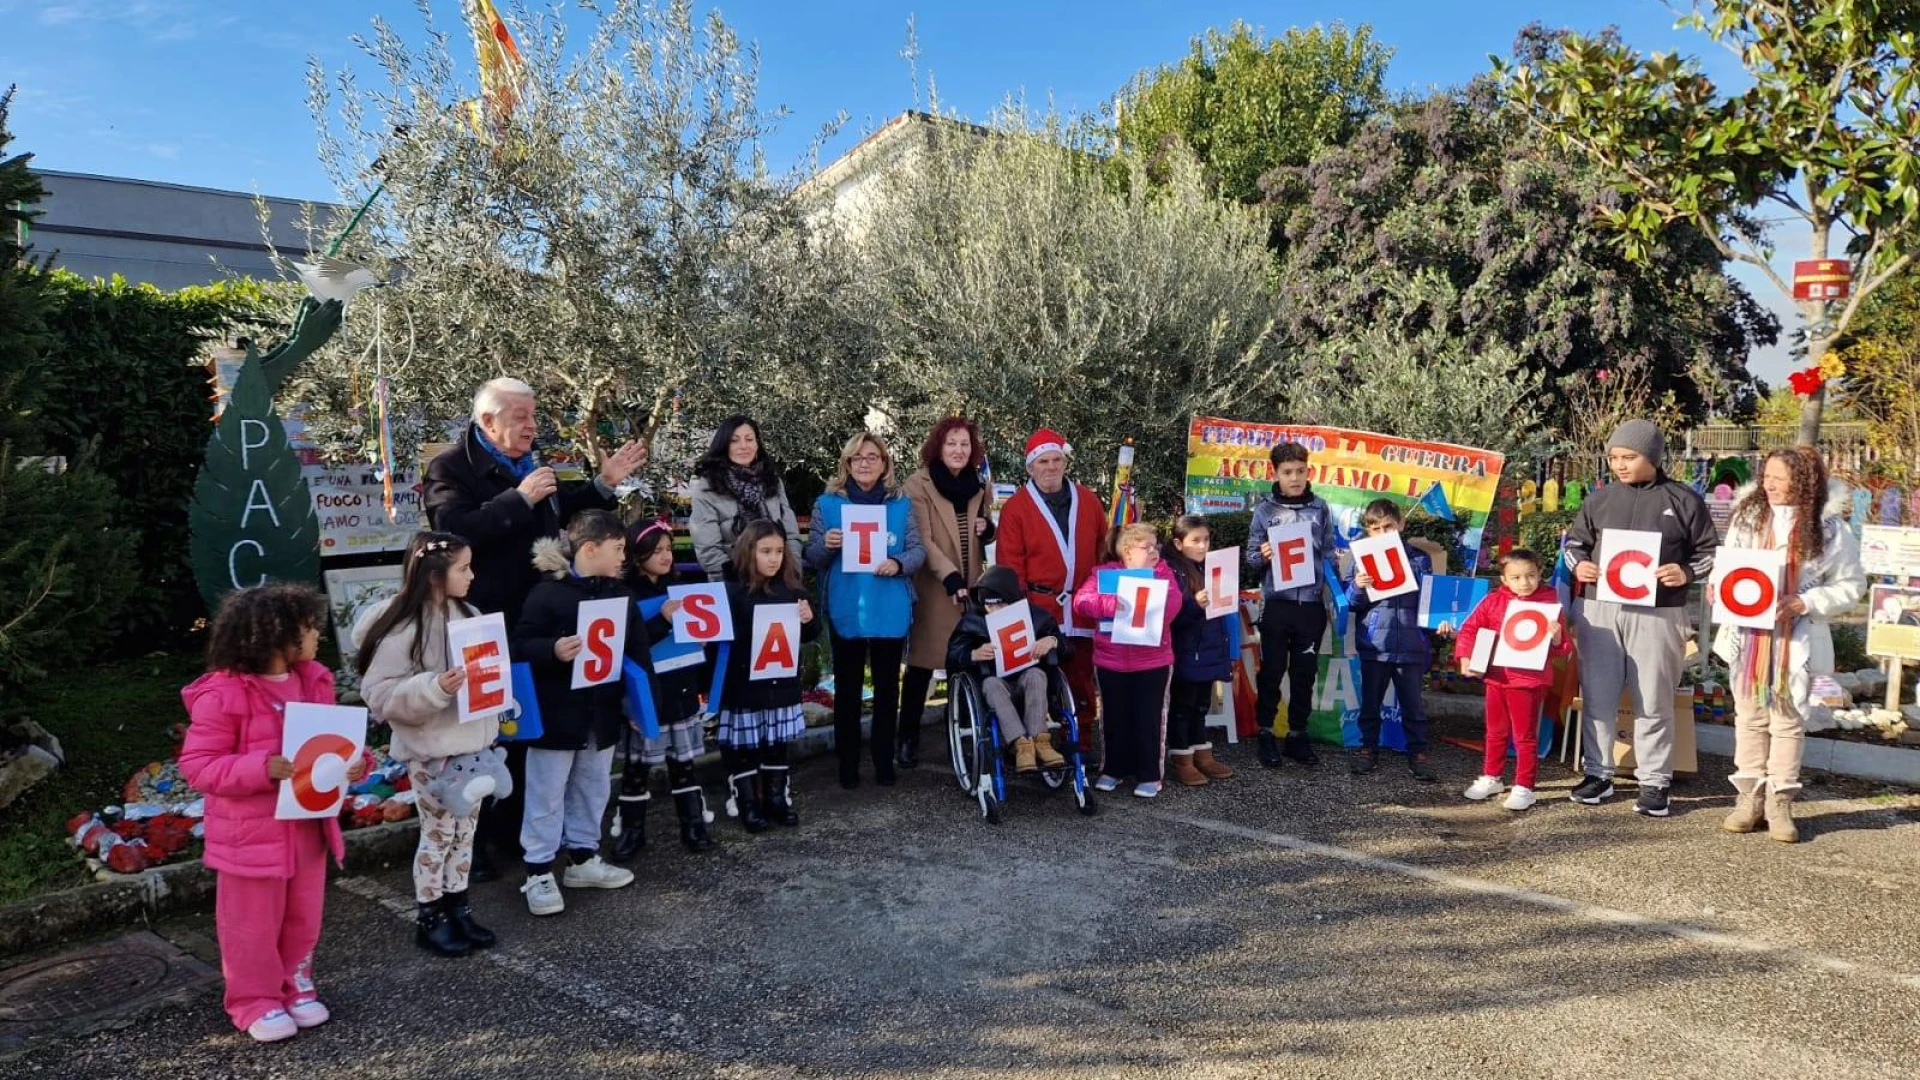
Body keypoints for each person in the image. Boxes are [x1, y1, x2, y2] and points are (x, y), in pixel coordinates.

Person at [424, 377, 647, 881]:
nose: (532, 426)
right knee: (479, 732)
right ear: (487, 421)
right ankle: (473, 848)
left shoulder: (531, 464)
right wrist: (518, 500)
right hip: (483, 624)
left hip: (542, 619)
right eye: (521, 416)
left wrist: (603, 485)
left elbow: (560, 512)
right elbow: (451, 531)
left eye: (533, 415)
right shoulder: (450, 467)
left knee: (530, 732)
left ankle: (517, 836)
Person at [179, 583, 368, 1043]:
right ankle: (253, 1001)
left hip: (307, 824)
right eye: (308, 628)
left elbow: (331, 743)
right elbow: (198, 765)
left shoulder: (314, 679)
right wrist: (261, 768)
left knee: (304, 914)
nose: (316, 636)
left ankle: (296, 985)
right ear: (276, 635)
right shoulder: (223, 694)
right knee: (250, 925)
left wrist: (358, 763)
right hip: (250, 837)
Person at [354, 532, 500, 956]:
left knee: (465, 833)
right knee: (437, 834)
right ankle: (430, 914)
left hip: (471, 747)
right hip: (431, 752)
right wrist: (434, 688)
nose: (472, 576)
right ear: (435, 575)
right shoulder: (402, 627)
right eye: (463, 568)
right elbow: (379, 694)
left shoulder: (468, 613)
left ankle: (460, 907)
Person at [1564, 419, 1718, 817]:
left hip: (1659, 612)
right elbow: (1574, 545)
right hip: (1600, 610)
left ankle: (1654, 782)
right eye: (1614, 457)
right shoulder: (1598, 499)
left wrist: (1685, 573)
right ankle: (1598, 774)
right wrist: (1580, 566)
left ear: (1652, 456)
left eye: (1628, 457)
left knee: (1653, 697)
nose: (1619, 464)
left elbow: (1709, 554)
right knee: (1598, 696)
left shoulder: (1684, 500)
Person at [1712, 448, 1865, 843]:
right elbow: (1728, 567)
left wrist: (1805, 601)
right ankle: (1749, 800)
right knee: (1749, 716)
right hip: (1748, 637)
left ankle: (1780, 804)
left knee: (1787, 720)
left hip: (1794, 641)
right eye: (1767, 476)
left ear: (1805, 482)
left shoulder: (1829, 528)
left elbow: (1851, 586)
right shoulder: (1749, 516)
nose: (1770, 484)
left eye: (1780, 478)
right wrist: (1719, 588)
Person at [510, 510, 648, 916]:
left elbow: (637, 653)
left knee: (593, 787)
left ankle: (583, 858)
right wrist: (551, 650)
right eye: (618, 548)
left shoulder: (621, 596)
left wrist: (641, 705)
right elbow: (519, 645)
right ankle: (538, 870)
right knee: (546, 792)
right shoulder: (546, 594)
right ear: (590, 548)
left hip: (602, 712)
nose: (624, 556)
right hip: (556, 715)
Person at [805, 432, 927, 789]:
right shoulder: (827, 505)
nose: (864, 463)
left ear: (885, 463)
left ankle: (883, 761)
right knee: (848, 690)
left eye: (872, 457)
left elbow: (918, 551)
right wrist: (826, 545)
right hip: (847, 606)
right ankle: (848, 763)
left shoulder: (901, 505)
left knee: (889, 690)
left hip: (889, 605)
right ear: (846, 464)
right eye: (857, 458)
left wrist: (897, 562)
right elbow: (811, 557)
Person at [996, 428, 1109, 764]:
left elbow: (1102, 550)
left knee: (1082, 677)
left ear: (1064, 461)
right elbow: (1010, 564)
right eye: (1043, 461)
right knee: (1039, 678)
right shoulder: (1016, 508)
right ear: (1030, 467)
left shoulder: (1088, 500)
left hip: (1082, 604)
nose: (1050, 466)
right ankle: (1038, 739)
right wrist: (1019, 612)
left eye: (1056, 459)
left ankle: (1083, 740)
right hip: (1039, 607)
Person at [616, 518, 717, 858]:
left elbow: (700, 636)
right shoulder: (625, 594)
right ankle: (631, 831)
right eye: (656, 550)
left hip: (681, 687)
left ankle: (693, 826)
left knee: (683, 764)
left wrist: (702, 641)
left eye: (669, 549)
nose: (666, 556)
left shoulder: (683, 587)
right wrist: (662, 620)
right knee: (636, 769)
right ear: (636, 553)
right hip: (646, 692)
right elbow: (627, 644)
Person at [900, 417, 995, 770]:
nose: (959, 450)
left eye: (965, 444)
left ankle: (963, 731)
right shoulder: (918, 483)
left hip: (970, 585)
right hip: (936, 585)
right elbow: (922, 539)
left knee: (966, 662)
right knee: (923, 665)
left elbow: (984, 531)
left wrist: (988, 530)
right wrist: (951, 578)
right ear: (938, 446)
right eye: (952, 443)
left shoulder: (979, 484)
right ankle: (907, 738)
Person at [715, 520, 820, 832]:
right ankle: (748, 803)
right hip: (744, 686)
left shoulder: (793, 590)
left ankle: (777, 799)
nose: (773, 558)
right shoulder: (731, 593)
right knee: (744, 748)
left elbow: (810, 634)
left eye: (778, 551)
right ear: (749, 552)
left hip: (782, 686)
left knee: (777, 745)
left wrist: (808, 619)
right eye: (765, 551)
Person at [1073, 523, 1184, 798]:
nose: (1154, 550)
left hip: (1153, 662)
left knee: (1150, 718)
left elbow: (1174, 604)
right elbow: (1082, 602)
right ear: (1127, 551)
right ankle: (1113, 769)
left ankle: (1150, 774)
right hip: (1111, 662)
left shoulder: (1163, 574)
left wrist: (1148, 607)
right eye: (1146, 546)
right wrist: (1110, 605)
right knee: (1113, 718)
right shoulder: (1103, 575)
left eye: (1155, 545)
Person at [1455, 549, 1571, 811]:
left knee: (1525, 736)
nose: (1524, 582)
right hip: (1497, 677)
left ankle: (1525, 786)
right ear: (1504, 579)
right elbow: (1470, 629)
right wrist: (1465, 658)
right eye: (1516, 577)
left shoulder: (1550, 603)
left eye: (1531, 575)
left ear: (1541, 574)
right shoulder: (1493, 600)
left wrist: (1556, 637)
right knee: (1495, 731)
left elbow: (1563, 648)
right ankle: (1492, 776)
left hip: (1528, 680)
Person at [1244, 441, 1336, 768]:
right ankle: (1266, 731)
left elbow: (1326, 551)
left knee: (1304, 674)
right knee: (1272, 671)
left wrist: (1335, 582)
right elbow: (1251, 556)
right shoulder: (1265, 511)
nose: (1294, 478)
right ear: (1276, 474)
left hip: (1310, 606)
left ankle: (1298, 734)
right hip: (1277, 606)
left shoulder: (1321, 508)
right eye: (1287, 472)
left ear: (1308, 471)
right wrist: (1263, 555)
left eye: (1300, 471)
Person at [1345, 500, 1438, 780]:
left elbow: (1429, 602)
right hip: (1376, 645)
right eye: (1376, 529)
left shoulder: (1420, 559)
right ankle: (1367, 748)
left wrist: (1434, 628)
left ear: (1401, 525)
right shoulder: (1360, 560)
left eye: (1389, 527)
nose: (1384, 533)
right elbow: (1351, 603)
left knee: (1413, 704)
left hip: (1411, 645)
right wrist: (1358, 587)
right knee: (1370, 702)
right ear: (1368, 531)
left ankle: (1418, 753)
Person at [946, 565, 1068, 773]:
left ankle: (1040, 742)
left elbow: (1068, 651)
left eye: (1000, 605)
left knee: (1036, 674)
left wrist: (1053, 641)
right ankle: (1020, 744)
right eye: (989, 606)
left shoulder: (1037, 618)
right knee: (992, 684)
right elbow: (952, 657)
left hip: (1029, 685)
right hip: (992, 687)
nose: (995, 611)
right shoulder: (971, 623)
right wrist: (972, 654)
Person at [1164, 515, 1236, 786]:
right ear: (1178, 543)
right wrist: (1195, 604)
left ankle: (1202, 753)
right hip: (1186, 648)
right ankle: (1182, 757)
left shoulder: (1212, 567)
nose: (1203, 546)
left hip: (1209, 645)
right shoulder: (1171, 570)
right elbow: (1172, 615)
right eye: (1196, 540)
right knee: (1183, 705)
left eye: (1206, 539)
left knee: (1202, 703)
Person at [688, 415, 802, 581]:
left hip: (779, 580)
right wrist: (741, 581)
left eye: (749, 439)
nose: (743, 446)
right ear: (724, 445)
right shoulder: (708, 486)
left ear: (757, 445)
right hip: (733, 583)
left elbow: (791, 535)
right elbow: (708, 549)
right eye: (735, 440)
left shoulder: (772, 481)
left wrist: (792, 575)